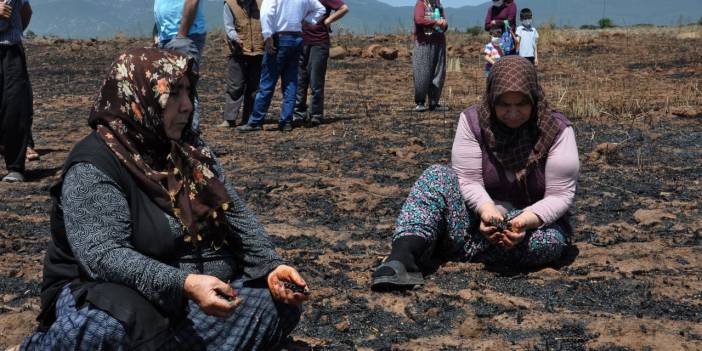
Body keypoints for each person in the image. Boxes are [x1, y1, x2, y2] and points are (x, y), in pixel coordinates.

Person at [21, 48, 309, 350]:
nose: (187, 106)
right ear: (139, 97)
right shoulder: (95, 164)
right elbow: (103, 255)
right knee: (110, 329)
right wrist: (183, 284)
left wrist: (270, 264)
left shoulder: (189, 151)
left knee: (278, 302)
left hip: (193, 300)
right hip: (113, 294)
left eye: (188, 92)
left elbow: (234, 212)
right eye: (173, 93)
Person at [371, 56, 579, 290]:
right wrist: (487, 212)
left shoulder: (557, 130)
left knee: (550, 242)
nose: (512, 113)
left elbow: (560, 195)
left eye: (521, 104)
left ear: (534, 99)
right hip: (474, 217)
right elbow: (467, 179)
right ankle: (402, 258)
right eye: (503, 104)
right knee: (436, 176)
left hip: (531, 224)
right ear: (491, 99)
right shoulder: (473, 121)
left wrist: (521, 223)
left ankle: (444, 244)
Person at [236, 0, 326, 133]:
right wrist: (306, 20)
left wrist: (267, 35)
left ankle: (256, 121)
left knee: (268, 82)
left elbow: (267, 12)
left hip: (279, 38)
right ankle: (286, 121)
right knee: (291, 81)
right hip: (297, 38)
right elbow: (320, 9)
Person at [292, 0, 349, 127]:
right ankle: (298, 114)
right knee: (300, 79)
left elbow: (344, 8)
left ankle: (315, 115)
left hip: (318, 42)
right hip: (299, 41)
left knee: (315, 80)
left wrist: (328, 20)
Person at [154, 0, 207, 132]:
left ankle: (190, 136)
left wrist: (182, 34)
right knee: (168, 89)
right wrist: (157, 36)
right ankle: (175, 134)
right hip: (166, 37)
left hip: (184, 35)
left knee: (185, 87)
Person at [219, 0, 265, 128]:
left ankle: (249, 118)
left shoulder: (262, 3)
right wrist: (236, 39)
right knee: (235, 85)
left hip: (258, 50)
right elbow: (229, 27)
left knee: (254, 87)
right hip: (238, 51)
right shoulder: (230, 4)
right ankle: (230, 118)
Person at [0, 0, 32, 182]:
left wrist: (16, 32)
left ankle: (15, 166)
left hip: (11, 51)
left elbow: (26, 11)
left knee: (16, 106)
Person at [412, 0, 448, 113]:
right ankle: (420, 102)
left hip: (439, 42)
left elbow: (444, 23)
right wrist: (435, 22)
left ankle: (434, 103)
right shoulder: (421, 4)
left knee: (438, 73)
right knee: (422, 72)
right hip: (424, 43)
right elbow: (419, 20)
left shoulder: (439, 6)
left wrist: (444, 24)